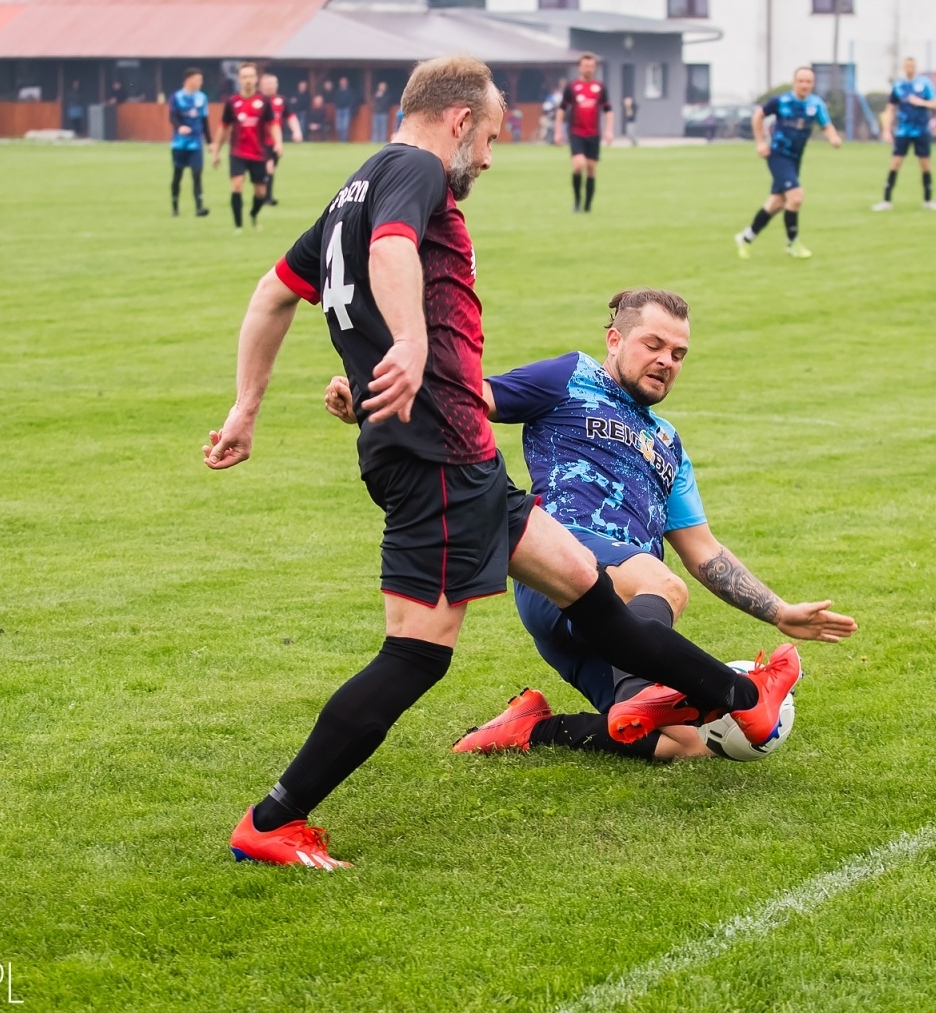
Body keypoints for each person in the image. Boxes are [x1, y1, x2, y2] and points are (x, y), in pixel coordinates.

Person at [203, 54, 800, 869]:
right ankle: (272, 820)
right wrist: (411, 342)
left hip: (460, 455)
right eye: (489, 137)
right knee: (416, 654)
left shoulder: (347, 193)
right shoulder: (414, 170)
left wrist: (246, 409)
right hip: (436, 455)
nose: (488, 156)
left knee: (592, 593)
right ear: (457, 122)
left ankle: (744, 699)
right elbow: (390, 253)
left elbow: (272, 295)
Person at [326, 289, 858, 762]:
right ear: (614, 339)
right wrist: (369, 403)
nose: (666, 361)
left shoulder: (669, 444)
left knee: (687, 746)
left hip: (614, 615)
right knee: (661, 582)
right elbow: (469, 399)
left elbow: (706, 553)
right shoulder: (570, 376)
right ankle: (644, 687)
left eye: (678, 354)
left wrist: (780, 611)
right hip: (560, 564)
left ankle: (532, 729)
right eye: (653, 345)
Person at [735, 66, 841, 260]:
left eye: (808, 81)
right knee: (796, 196)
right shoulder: (781, 101)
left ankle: (746, 237)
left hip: (795, 158)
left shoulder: (815, 104)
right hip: (778, 155)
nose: (804, 85)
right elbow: (758, 115)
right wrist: (760, 142)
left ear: (812, 84)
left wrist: (833, 137)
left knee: (777, 203)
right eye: (801, 81)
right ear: (794, 82)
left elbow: (826, 125)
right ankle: (792, 243)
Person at [213, 62, 280, 232]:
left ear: (256, 79)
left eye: (251, 76)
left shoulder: (264, 102)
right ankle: (238, 226)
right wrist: (216, 150)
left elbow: (273, 124)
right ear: (239, 80)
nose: (248, 80)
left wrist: (278, 142)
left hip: (258, 153)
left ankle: (253, 214)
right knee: (237, 185)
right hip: (237, 152)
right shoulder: (232, 102)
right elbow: (224, 127)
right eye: (244, 77)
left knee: (260, 193)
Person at [873, 56, 936, 212]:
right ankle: (886, 200)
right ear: (904, 67)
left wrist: (921, 102)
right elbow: (890, 109)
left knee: (925, 165)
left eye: (912, 65)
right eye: (907, 65)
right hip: (903, 131)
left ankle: (928, 200)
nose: (909, 68)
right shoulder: (899, 86)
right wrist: (886, 130)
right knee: (895, 163)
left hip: (922, 131)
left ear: (915, 67)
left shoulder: (924, 83)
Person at [555, 54, 613, 212]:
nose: (588, 69)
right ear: (580, 67)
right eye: (585, 66)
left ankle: (587, 205)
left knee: (591, 168)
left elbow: (608, 111)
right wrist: (558, 131)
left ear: (594, 68)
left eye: (591, 66)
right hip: (576, 132)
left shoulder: (600, 87)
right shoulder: (572, 87)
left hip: (594, 134)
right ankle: (577, 201)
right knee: (578, 164)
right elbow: (562, 109)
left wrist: (609, 131)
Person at [168, 67, 211, 217]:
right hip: (180, 143)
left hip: (196, 143)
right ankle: (175, 207)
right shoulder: (177, 97)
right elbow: (172, 117)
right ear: (189, 80)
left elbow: (205, 121)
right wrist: (180, 127)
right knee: (177, 175)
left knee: (197, 174)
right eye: (198, 79)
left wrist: (210, 141)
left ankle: (199, 208)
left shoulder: (202, 98)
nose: (201, 82)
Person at [259, 73, 291, 206]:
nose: (271, 86)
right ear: (261, 85)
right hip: (261, 141)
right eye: (268, 83)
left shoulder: (281, 100)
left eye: (273, 83)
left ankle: (264, 195)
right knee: (269, 167)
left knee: (271, 169)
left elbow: (289, 116)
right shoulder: (258, 101)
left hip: (275, 141)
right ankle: (267, 197)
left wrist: (296, 131)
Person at [334, 76, 355, 141]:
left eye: (344, 82)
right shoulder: (337, 91)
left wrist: (349, 107)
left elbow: (351, 100)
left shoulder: (350, 91)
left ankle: (344, 140)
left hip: (346, 110)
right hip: (339, 110)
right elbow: (335, 99)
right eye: (341, 82)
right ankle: (340, 139)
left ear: (346, 83)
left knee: (345, 126)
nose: (342, 83)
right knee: (339, 126)